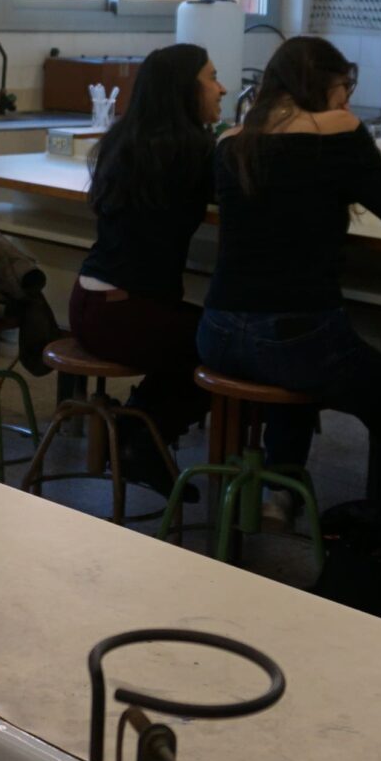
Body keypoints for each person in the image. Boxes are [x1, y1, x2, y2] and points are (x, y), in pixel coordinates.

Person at [197, 36, 381, 506]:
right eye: (344, 86)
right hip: (297, 339)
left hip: (219, 334)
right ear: (325, 84)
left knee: (295, 365)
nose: (347, 98)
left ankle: (281, 492)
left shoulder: (232, 143)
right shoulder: (341, 134)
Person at [68, 43, 225, 478]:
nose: (222, 89)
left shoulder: (123, 140)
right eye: (212, 78)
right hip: (128, 316)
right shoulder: (192, 151)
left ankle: (136, 430)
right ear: (185, 89)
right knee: (227, 347)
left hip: (89, 303)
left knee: (204, 338)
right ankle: (141, 440)